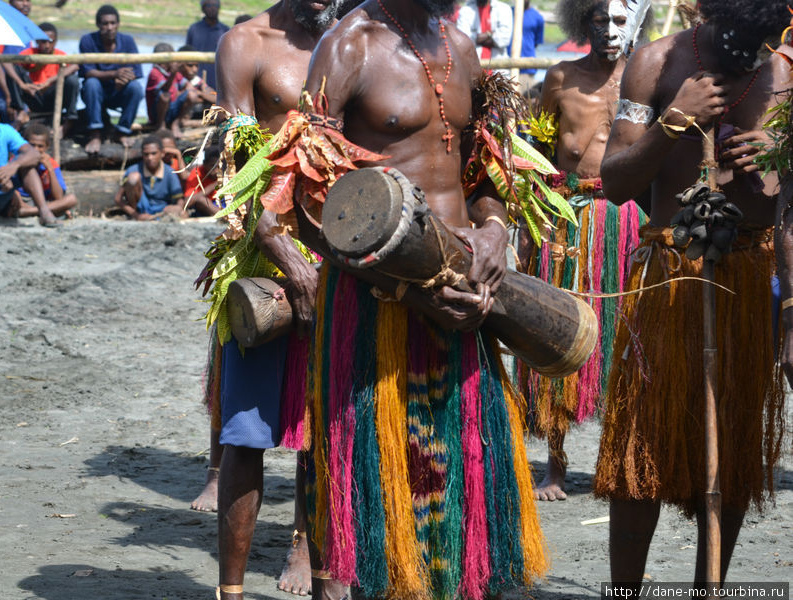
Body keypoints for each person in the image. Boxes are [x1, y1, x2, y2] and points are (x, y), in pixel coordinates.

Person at [279, 1, 549, 598]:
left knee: (468, 481)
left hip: (466, 295)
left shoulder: (460, 45)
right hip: (378, 301)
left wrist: (495, 231)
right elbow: (309, 198)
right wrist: (409, 288)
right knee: (379, 486)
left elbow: (484, 175)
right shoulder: (350, 45)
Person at [593, 0, 790, 593]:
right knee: (639, 447)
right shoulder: (654, 64)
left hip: (751, 281)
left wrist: (779, 159)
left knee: (728, 452)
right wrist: (672, 123)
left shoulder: (785, 77)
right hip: (670, 274)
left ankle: (712, 588)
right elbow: (616, 182)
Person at [192, 1, 347, 598]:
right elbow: (233, 165)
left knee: (328, 431)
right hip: (265, 258)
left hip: (342, 256)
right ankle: (230, 590)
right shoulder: (246, 44)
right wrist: (284, 255)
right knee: (245, 433)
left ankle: (307, 554)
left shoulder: (355, 40)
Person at [515, 0, 649, 502]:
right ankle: (555, 464)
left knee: (626, 334)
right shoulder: (560, 79)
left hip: (626, 222)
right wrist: (529, 225)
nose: (610, 31)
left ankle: (618, 460)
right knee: (559, 332)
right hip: (565, 218)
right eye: (600, 19)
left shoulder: (646, 79)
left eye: (620, 20)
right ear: (582, 21)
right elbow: (532, 152)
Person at [0, 92, 58, 227]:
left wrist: (13, 166)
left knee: (27, 167)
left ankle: (44, 211)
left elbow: (33, 154)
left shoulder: (4, 130)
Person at [79, 4, 145, 154]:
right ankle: (95, 133)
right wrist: (115, 74)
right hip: (95, 94)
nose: (109, 27)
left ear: (118, 24)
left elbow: (136, 71)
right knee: (91, 83)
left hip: (120, 91)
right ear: (98, 25)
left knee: (135, 88)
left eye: (112, 23)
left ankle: (122, 131)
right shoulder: (87, 40)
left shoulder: (127, 41)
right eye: (105, 23)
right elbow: (88, 72)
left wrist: (124, 80)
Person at [0, 0, 34, 125]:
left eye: (28, 0)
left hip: (17, 89)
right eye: (21, 0)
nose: (25, 4)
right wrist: (9, 97)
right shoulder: (0, 23)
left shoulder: (25, 26)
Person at [18, 23, 80, 135]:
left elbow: (75, 66)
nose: (47, 45)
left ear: (55, 41)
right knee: (15, 72)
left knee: (72, 80)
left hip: (53, 95)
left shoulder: (60, 55)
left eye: (50, 41)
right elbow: (12, 64)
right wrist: (23, 84)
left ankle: (69, 121)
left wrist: (50, 81)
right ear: (37, 42)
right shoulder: (30, 53)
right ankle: (18, 111)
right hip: (33, 93)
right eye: (43, 42)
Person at [115, 135, 184, 220]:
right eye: (146, 154)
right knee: (133, 177)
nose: (150, 158)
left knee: (183, 214)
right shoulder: (133, 169)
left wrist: (177, 208)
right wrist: (136, 215)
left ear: (162, 153)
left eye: (154, 153)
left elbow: (179, 199)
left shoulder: (170, 172)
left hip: (162, 211)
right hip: (140, 211)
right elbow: (118, 199)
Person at [17, 123, 78, 218]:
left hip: (44, 203)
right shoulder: (17, 161)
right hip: (23, 201)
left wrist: (50, 169)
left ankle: (30, 212)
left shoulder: (51, 164)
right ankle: (40, 211)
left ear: (46, 147)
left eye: (40, 146)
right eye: (32, 145)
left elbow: (58, 197)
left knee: (71, 199)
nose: (35, 149)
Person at [146, 43, 197, 137]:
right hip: (157, 113)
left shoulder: (174, 72)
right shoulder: (155, 72)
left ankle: (175, 123)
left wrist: (180, 93)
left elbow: (188, 86)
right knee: (165, 96)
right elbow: (165, 90)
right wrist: (172, 74)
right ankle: (160, 125)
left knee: (192, 95)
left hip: (172, 108)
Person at [185, 0, 230, 90]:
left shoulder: (225, 31)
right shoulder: (194, 29)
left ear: (219, 7)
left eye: (215, 5)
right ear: (203, 8)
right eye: (209, 5)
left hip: (218, 80)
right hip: (197, 80)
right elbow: (187, 54)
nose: (213, 8)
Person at [457, 0, 513, 71]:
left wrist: (476, 38)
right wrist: (490, 34)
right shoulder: (465, 11)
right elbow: (464, 42)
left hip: (499, 71)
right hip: (473, 71)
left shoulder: (504, 9)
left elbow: (504, 39)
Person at [510, 0, 545, 92]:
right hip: (506, 65)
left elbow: (536, 42)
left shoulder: (538, 18)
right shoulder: (508, 13)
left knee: (524, 100)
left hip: (527, 67)